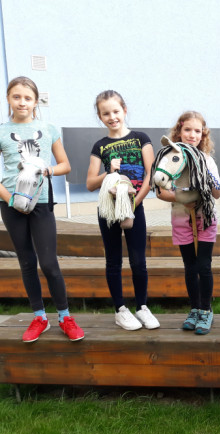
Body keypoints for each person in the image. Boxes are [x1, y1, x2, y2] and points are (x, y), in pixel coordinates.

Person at [0, 76, 84, 342]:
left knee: (49, 263)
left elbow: (65, 165)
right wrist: (9, 199)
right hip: (11, 204)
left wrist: (47, 170)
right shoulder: (2, 131)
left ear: (36, 101)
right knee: (26, 261)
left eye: (27, 98)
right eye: (16, 97)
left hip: (41, 202)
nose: (22, 102)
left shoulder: (48, 129)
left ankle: (65, 317)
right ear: (8, 99)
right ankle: (40, 317)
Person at [87, 90, 159, 331]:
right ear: (100, 116)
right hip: (108, 211)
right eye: (105, 113)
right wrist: (108, 171)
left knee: (138, 261)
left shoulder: (140, 138)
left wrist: (134, 203)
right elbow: (90, 183)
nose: (112, 117)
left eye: (116, 111)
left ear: (124, 110)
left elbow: (151, 174)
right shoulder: (100, 145)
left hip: (134, 206)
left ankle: (142, 307)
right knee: (113, 261)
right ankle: (120, 310)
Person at [156, 111, 220, 334]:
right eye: (187, 130)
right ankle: (194, 309)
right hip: (181, 219)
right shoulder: (171, 158)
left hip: (205, 220)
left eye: (197, 131)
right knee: (190, 267)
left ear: (203, 134)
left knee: (204, 266)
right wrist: (182, 198)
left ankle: (206, 310)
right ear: (179, 131)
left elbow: (217, 193)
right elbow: (160, 192)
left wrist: (207, 183)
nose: (192, 135)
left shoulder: (207, 160)